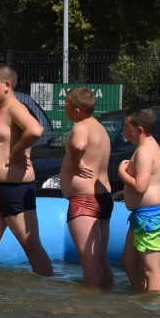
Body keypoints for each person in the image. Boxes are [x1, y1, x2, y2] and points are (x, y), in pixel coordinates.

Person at [0, 64, 52, 276]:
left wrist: (15, 152)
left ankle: (49, 289)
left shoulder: (15, 108)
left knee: (30, 244)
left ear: (6, 85)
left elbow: (35, 130)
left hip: (15, 188)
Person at [60, 87, 114, 289]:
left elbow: (79, 145)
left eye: (65, 104)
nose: (63, 107)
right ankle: (108, 299)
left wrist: (76, 162)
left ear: (76, 110)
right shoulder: (100, 129)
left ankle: (91, 313)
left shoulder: (81, 127)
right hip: (104, 198)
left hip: (85, 201)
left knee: (89, 263)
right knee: (100, 259)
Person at [118, 106, 160, 293]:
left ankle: (155, 311)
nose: (123, 129)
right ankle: (141, 295)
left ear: (139, 129)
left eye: (126, 126)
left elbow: (140, 186)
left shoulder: (144, 151)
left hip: (151, 218)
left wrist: (121, 172)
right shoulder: (148, 145)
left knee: (151, 270)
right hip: (143, 216)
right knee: (128, 261)